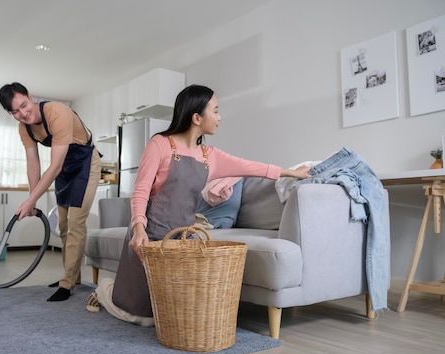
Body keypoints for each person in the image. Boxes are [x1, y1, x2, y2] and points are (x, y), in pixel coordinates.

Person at [85, 84, 311, 324]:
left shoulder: (209, 156)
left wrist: (291, 173)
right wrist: (138, 229)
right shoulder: (159, 145)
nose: (219, 117)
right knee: (142, 317)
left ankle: (112, 292)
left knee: (171, 314)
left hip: (181, 241)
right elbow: (140, 191)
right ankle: (104, 291)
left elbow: (251, 166)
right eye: (215, 110)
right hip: (149, 239)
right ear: (196, 117)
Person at [0, 82, 101, 302]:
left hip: (85, 163)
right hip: (64, 167)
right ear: (10, 113)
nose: (23, 113)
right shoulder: (23, 127)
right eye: (15, 111)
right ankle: (73, 277)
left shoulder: (57, 113)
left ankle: (66, 283)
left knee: (75, 222)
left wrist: (31, 200)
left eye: (24, 105)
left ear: (30, 96)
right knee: (63, 224)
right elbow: (33, 163)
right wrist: (31, 199)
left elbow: (53, 166)